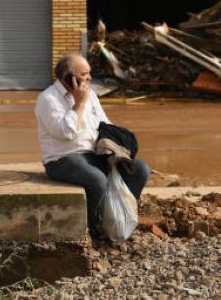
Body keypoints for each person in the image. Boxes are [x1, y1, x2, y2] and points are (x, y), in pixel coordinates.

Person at [35, 52, 150, 237]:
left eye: (89, 73)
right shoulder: (48, 99)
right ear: (68, 76)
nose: (88, 77)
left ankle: (119, 216)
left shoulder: (91, 95)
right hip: (62, 160)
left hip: (95, 155)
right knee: (97, 180)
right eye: (83, 74)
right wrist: (79, 104)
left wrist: (119, 144)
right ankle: (93, 226)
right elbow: (66, 133)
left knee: (141, 169)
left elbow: (105, 124)